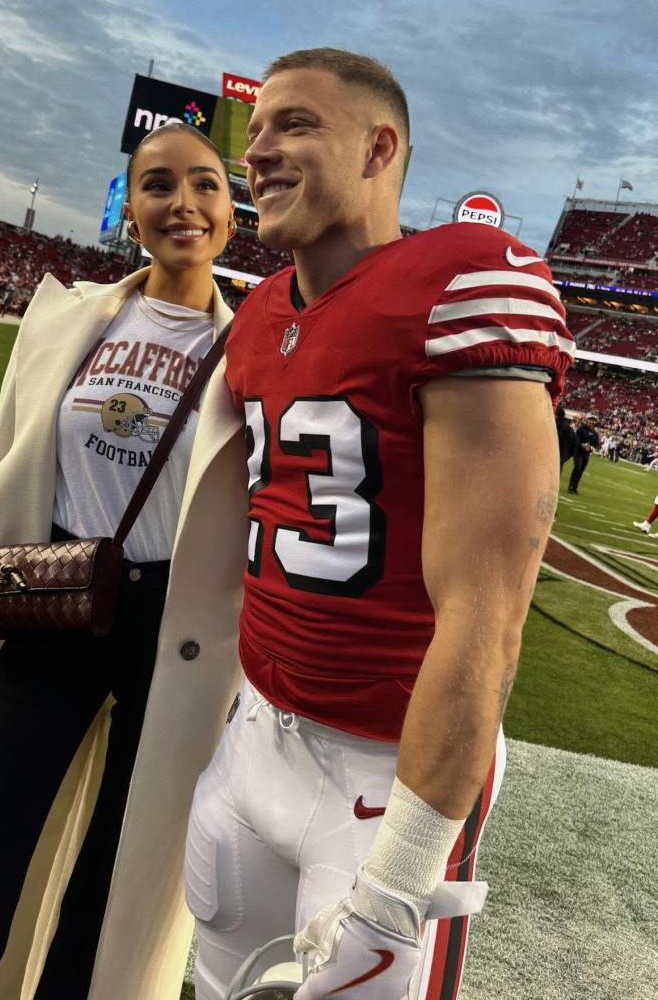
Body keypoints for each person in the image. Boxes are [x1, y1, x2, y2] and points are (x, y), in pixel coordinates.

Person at [181, 48, 575, 1000]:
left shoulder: (463, 280)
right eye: (257, 128)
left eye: (296, 125)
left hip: (381, 774)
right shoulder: (263, 309)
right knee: (212, 985)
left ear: (378, 148)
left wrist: (401, 871)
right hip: (252, 736)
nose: (259, 150)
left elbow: (488, 615)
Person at [0, 123, 240, 1000]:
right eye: (159, 184)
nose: (184, 203)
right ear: (129, 209)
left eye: (207, 185)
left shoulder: (254, 354)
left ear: (230, 209)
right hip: (46, 600)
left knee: (117, 887)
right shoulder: (67, 316)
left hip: (172, 635)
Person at [567, 413, 599, 493]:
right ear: (587, 420)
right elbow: (576, 439)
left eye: (593, 420)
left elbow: (596, 444)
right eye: (590, 420)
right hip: (578, 452)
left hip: (586, 454)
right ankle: (571, 486)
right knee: (577, 468)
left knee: (581, 470)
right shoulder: (581, 429)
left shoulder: (595, 433)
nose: (592, 422)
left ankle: (575, 487)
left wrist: (592, 448)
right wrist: (582, 445)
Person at [555, 403, 575, 470]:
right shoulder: (570, 428)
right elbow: (573, 446)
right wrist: (565, 457)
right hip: (562, 457)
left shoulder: (554, 425)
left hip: (550, 456)